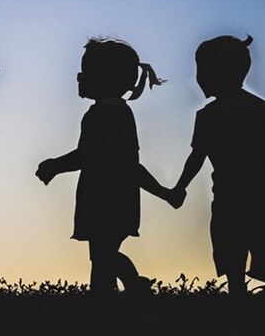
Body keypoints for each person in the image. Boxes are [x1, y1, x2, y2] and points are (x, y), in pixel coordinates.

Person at [36, 38, 173, 296]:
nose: (79, 78)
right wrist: (164, 193)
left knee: (103, 256)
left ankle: (133, 285)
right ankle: (110, 295)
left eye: (85, 73)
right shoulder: (108, 113)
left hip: (107, 198)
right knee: (102, 257)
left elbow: (90, 156)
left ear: (104, 77)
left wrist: (55, 165)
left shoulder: (106, 116)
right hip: (107, 197)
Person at [168, 35, 265, 296]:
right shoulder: (258, 109)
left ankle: (245, 294)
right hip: (251, 195)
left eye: (203, 69)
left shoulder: (214, 116)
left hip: (237, 195)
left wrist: (179, 188)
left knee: (238, 246)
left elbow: (196, 157)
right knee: (257, 245)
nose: (199, 77)